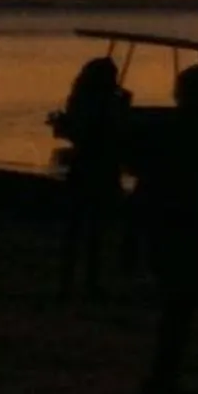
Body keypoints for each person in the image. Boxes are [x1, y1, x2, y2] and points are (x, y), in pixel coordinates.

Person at [129, 64, 198, 394]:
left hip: (196, 226)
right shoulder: (177, 134)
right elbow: (150, 185)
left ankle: (164, 378)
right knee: (178, 307)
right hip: (180, 228)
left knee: (181, 308)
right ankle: (162, 381)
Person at [50, 56, 131, 297]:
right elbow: (116, 132)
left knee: (77, 228)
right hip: (100, 167)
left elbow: (78, 131)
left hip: (83, 166)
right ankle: (88, 282)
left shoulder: (80, 100)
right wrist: (123, 106)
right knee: (93, 229)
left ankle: (69, 281)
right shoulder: (106, 103)